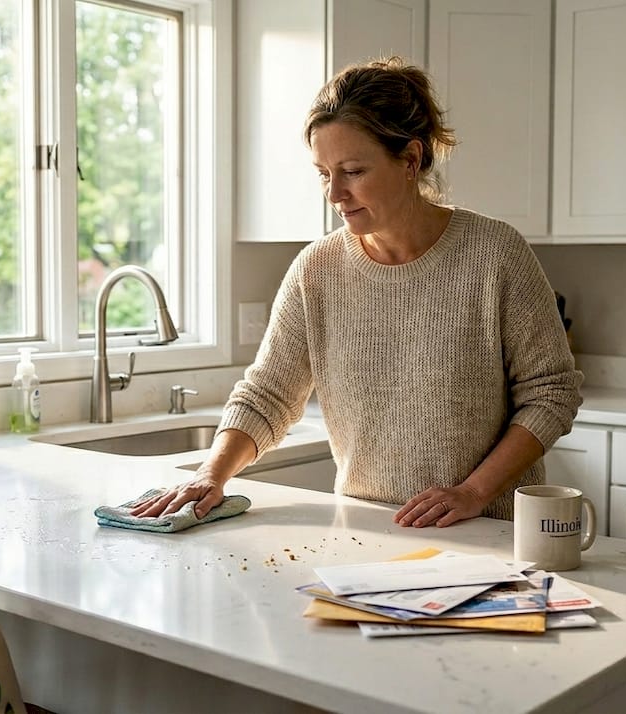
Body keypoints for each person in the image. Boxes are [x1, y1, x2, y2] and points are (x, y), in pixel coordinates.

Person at [132, 57, 582, 527]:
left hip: (487, 529)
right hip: (366, 529)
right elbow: (267, 394)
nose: (334, 194)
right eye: (324, 173)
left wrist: (472, 492)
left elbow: (551, 394)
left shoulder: (495, 254)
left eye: (352, 171)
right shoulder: (317, 270)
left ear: (410, 159)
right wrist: (211, 474)